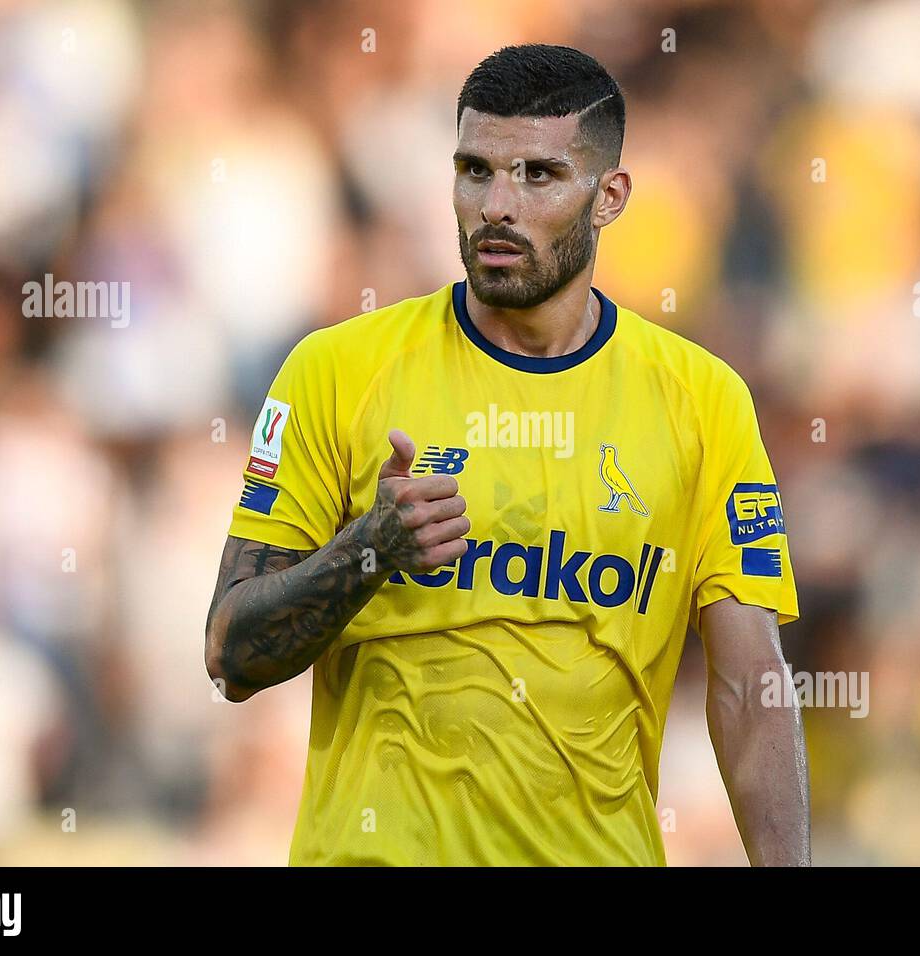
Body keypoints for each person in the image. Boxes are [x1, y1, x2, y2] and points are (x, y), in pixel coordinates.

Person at [205, 43, 808, 866]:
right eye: (475, 170)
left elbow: (749, 687)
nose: (496, 205)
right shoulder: (337, 370)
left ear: (609, 197)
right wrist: (365, 553)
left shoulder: (702, 401)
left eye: (538, 176)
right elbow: (231, 654)